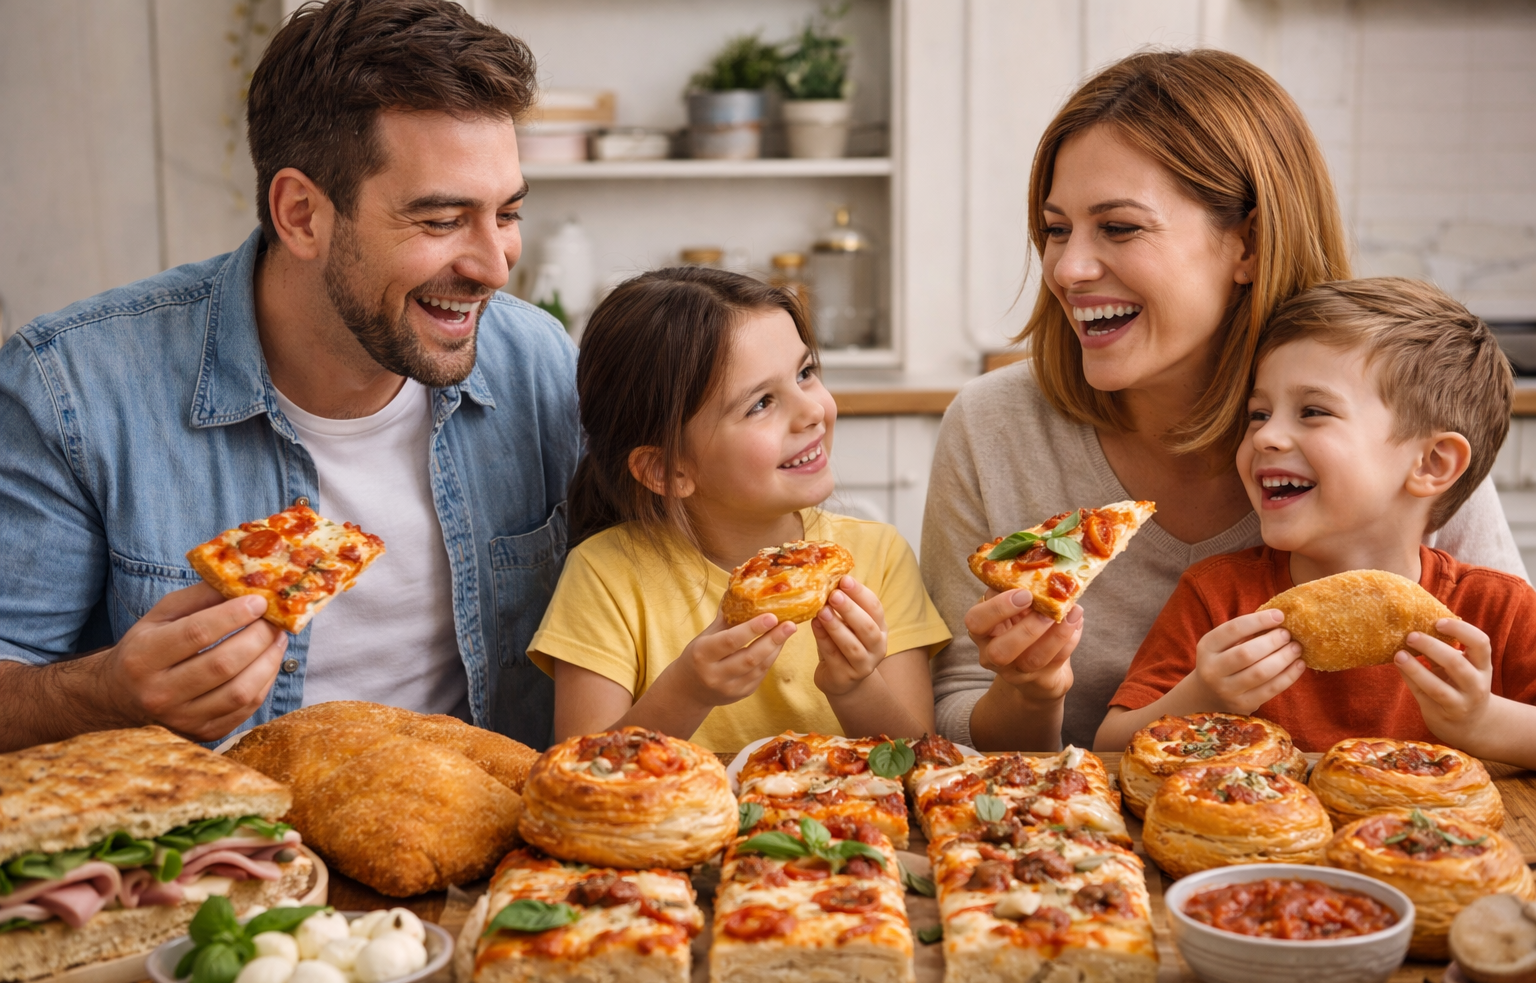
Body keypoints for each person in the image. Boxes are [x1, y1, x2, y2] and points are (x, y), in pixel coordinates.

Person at [0, 0, 579, 751]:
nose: (495, 265)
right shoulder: (71, 389)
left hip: (494, 852)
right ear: (301, 214)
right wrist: (103, 695)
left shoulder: (540, 362)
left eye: (507, 212)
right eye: (440, 221)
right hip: (215, 852)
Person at [920, 50, 1526, 752]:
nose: (1067, 269)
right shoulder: (992, 427)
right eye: (1056, 230)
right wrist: (1026, 690)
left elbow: (1503, 692)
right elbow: (959, 724)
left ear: (1250, 241)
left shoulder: (1394, 420)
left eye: (1118, 227)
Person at [1093, 279, 1536, 767]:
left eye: (1313, 411)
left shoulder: (1498, 611)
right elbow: (1110, 747)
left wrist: (1484, 722)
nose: (1267, 437)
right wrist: (1202, 696)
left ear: (1432, 463)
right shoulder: (1219, 598)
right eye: (1259, 414)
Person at [529, 267, 950, 752]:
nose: (813, 411)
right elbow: (582, 775)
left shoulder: (877, 557)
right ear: (666, 470)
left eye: (805, 373)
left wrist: (855, 687)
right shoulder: (604, 576)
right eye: (761, 403)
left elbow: (920, 760)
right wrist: (687, 691)